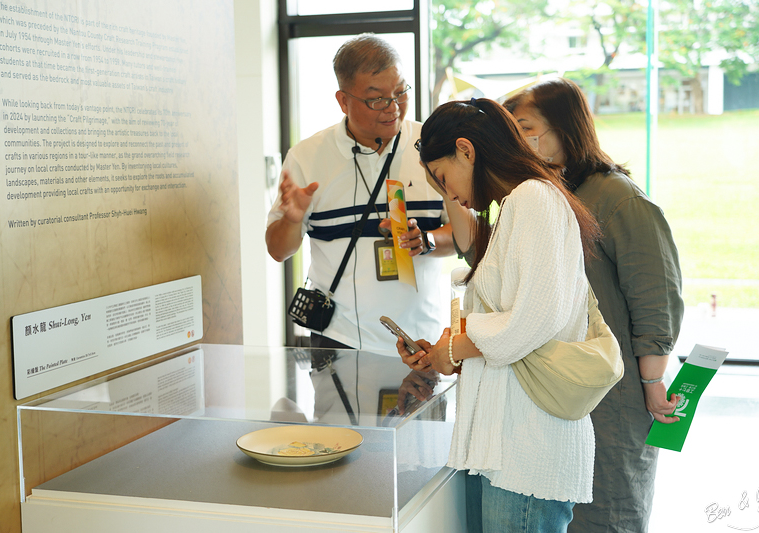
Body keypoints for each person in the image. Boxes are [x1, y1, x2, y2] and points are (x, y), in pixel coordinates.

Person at [401, 97, 601, 533]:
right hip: (506, 449)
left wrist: (451, 347)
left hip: (526, 452)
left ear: (466, 150)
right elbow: (511, 318)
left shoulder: (534, 198)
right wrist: (444, 350)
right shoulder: (515, 205)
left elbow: (533, 321)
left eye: (442, 176)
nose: (448, 193)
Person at [503, 78, 684, 533]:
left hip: (615, 393)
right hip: (562, 389)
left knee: (608, 509)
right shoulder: (543, 196)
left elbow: (655, 299)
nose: (519, 141)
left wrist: (654, 381)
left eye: (525, 128)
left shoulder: (618, 198)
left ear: (565, 128)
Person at [265, 34, 456, 353]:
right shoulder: (307, 157)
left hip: (425, 336)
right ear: (343, 100)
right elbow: (278, 250)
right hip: (340, 340)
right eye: (376, 99)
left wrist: (428, 240)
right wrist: (292, 219)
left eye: (400, 92)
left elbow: (468, 234)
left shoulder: (433, 145)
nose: (393, 107)